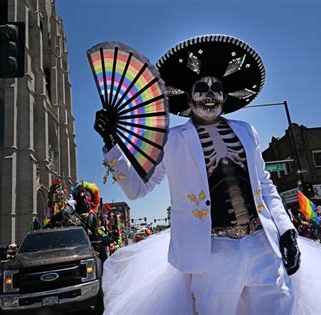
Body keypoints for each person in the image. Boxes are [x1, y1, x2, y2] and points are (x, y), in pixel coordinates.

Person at [95, 35, 300, 314]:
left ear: (224, 98)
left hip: (261, 244)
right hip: (212, 253)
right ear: (189, 99)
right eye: (202, 88)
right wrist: (111, 144)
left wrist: (286, 229)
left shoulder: (247, 131)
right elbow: (137, 189)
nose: (210, 94)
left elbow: (265, 185)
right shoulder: (172, 140)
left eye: (217, 88)